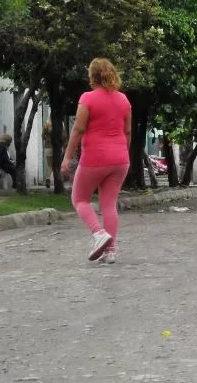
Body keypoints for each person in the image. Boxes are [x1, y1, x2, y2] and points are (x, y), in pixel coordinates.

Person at [60, 58, 131, 264]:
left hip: (95, 157)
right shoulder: (124, 100)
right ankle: (110, 252)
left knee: (79, 199)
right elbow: (127, 131)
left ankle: (98, 233)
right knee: (109, 204)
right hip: (120, 159)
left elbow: (78, 129)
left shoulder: (88, 98)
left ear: (92, 75)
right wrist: (121, 154)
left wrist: (67, 157)